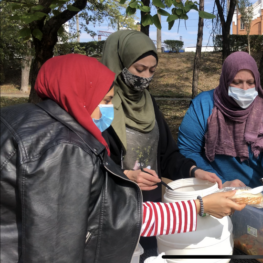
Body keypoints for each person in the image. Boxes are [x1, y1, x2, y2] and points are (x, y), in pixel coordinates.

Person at [0, 54, 246, 263]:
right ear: (79, 95)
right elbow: (98, 222)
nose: (109, 110)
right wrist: (199, 207)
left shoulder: (23, 119)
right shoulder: (63, 147)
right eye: (105, 101)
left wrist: (121, 176)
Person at [100, 31, 245, 260]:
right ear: (120, 63)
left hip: (155, 213)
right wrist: (125, 175)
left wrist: (194, 171)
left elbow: (167, 156)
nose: (145, 77)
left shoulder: (149, 104)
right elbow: (93, 167)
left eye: (152, 71)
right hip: (114, 213)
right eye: (139, 69)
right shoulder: (100, 108)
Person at [178, 51, 263, 188]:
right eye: (236, 82)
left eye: (250, 83)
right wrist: (221, 183)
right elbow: (187, 150)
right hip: (211, 188)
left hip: (256, 192)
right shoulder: (203, 105)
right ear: (225, 80)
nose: (244, 89)